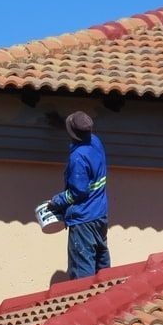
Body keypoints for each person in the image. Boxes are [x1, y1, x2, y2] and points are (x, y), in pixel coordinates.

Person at [48, 111, 110, 279]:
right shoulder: (96, 142)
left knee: (83, 278)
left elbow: (78, 192)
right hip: (100, 215)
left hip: (83, 220)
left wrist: (57, 201)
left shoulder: (78, 158)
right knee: (102, 271)